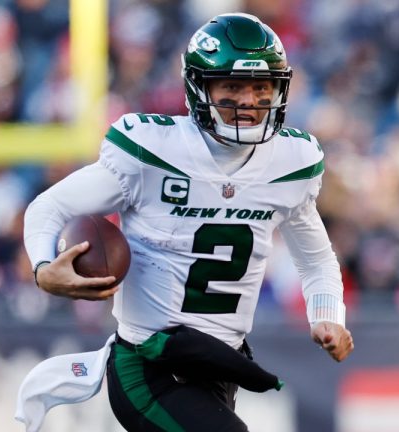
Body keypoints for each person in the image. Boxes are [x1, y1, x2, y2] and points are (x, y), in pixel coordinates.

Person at [22, 13, 353, 432]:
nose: (249, 100)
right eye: (232, 85)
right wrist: (43, 268)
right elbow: (48, 207)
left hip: (220, 365)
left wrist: (327, 318)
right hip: (148, 365)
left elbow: (317, 262)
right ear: (200, 86)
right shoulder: (152, 151)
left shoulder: (292, 163)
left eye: (261, 86)